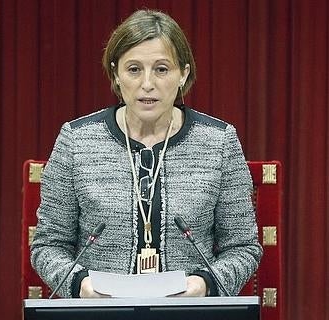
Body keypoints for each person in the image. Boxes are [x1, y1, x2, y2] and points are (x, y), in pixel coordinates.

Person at [31, 9, 262, 298]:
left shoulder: (218, 141)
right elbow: (47, 246)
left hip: (189, 314)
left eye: (162, 69)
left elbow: (243, 248)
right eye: (134, 69)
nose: (147, 84)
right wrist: (81, 287)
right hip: (100, 313)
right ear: (116, 74)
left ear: (183, 74)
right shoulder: (76, 140)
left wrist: (205, 285)